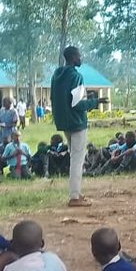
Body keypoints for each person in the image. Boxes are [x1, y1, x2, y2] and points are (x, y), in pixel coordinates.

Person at [51, 45, 107, 208]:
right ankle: (74, 196)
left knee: (73, 156)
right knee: (77, 158)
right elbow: (76, 104)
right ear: (73, 58)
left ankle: (77, 193)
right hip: (77, 122)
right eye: (79, 56)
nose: (81, 58)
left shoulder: (56, 75)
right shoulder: (76, 76)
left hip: (63, 122)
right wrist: (95, 102)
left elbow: (56, 98)